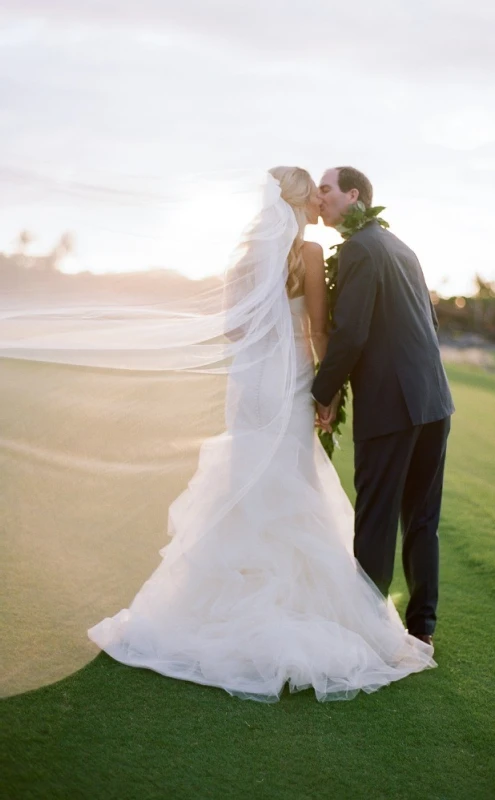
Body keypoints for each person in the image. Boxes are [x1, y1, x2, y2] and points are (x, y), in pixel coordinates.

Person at [0, 167, 436, 702]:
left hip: (249, 379)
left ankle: (208, 605)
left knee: (245, 479)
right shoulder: (309, 257)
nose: (321, 201)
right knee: (294, 482)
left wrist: (268, 334)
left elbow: (235, 326)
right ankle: (357, 616)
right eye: (316, 193)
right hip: (291, 379)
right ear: (302, 204)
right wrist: (328, 390)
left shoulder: (244, 256)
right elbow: (322, 330)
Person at [313, 167, 455, 646]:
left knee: (375, 518)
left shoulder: (358, 248)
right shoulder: (399, 246)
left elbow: (351, 331)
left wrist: (321, 392)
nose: (320, 197)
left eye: (327, 189)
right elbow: (430, 322)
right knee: (421, 519)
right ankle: (422, 630)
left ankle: (367, 635)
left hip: (391, 404)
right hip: (434, 400)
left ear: (355, 195)